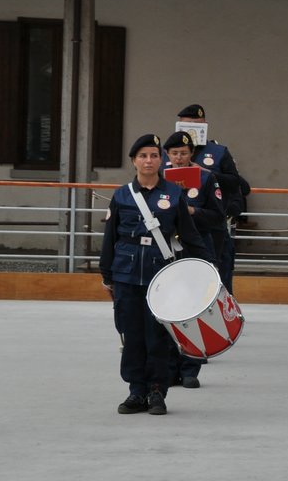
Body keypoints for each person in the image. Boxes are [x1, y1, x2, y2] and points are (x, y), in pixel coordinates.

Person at [99, 133, 209, 416]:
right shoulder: (122, 195)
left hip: (162, 278)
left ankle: (157, 391)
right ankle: (136, 391)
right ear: (134, 161)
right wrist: (106, 275)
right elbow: (110, 238)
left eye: (154, 155)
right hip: (126, 275)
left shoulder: (173, 194)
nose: (149, 161)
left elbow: (190, 236)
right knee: (131, 335)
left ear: (161, 161)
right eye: (143, 156)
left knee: (158, 337)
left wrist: (208, 271)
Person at [162, 130, 227, 389]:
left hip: (197, 246)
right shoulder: (157, 179)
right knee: (167, 308)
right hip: (166, 249)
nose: (179, 158)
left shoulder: (206, 178)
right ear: (168, 155)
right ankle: (168, 367)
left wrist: (192, 211)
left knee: (194, 309)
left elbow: (217, 216)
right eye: (175, 153)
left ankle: (190, 368)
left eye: (184, 153)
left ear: (192, 155)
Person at [175, 104, 250, 290]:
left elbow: (238, 184)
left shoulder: (218, 152)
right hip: (177, 229)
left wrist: (207, 173)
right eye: (187, 124)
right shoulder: (169, 152)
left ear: (205, 125)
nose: (192, 128)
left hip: (212, 227)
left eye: (197, 124)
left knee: (218, 281)